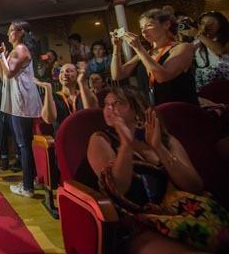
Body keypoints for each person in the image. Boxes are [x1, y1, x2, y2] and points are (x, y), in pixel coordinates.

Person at [87, 87, 229, 253]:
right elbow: (118, 189)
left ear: (137, 110)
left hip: (185, 215)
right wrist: (126, 146)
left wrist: (159, 148)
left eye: (118, 103)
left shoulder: (165, 140)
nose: (109, 108)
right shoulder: (101, 139)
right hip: (138, 225)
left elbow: (194, 186)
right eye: (106, 104)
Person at [0, 20, 42, 198]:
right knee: (25, 143)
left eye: (12, 30)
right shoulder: (16, 50)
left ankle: (27, 187)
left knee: (23, 144)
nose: (8, 34)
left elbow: (10, 73)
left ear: (20, 32)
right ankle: (32, 179)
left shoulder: (20, 50)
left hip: (22, 101)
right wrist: (0, 55)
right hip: (20, 99)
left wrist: (2, 55)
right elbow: (3, 74)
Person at [111, 8, 198, 105]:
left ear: (166, 25)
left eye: (149, 25)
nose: (144, 31)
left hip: (178, 108)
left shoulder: (183, 47)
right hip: (153, 110)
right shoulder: (146, 53)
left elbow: (162, 77)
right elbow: (117, 75)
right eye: (141, 28)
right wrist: (116, 47)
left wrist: (139, 48)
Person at [36, 63, 98, 136]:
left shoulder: (84, 93)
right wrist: (48, 89)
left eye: (69, 71)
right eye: (61, 72)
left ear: (77, 75)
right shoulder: (53, 96)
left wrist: (81, 82)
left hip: (85, 135)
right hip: (63, 138)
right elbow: (49, 119)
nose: (64, 74)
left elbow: (92, 112)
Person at [180, 11, 229, 91]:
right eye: (202, 23)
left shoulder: (226, 39)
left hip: (224, 82)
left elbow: (220, 51)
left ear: (221, 24)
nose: (206, 26)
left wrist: (198, 35)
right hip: (205, 84)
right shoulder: (197, 42)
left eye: (211, 23)